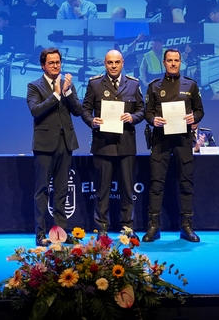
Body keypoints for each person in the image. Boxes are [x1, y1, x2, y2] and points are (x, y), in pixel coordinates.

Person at [80, 49, 145, 238]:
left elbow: (142, 110)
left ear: (122, 62)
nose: (114, 66)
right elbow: (85, 110)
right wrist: (92, 121)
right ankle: (101, 230)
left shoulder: (133, 84)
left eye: (117, 62)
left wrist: (133, 117)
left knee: (127, 189)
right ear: (105, 63)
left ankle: (127, 228)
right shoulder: (95, 84)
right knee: (102, 190)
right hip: (103, 145)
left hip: (126, 144)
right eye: (110, 62)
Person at [143, 48, 205, 243]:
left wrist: (194, 118)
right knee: (156, 184)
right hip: (160, 140)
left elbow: (200, 111)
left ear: (180, 62)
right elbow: (147, 112)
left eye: (176, 60)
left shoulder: (191, 85)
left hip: (183, 140)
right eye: (169, 60)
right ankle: (154, 226)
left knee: (186, 183)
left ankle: (186, 226)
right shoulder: (154, 86)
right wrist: (153, 120)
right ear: (164, 63)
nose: (173, 63)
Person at [27, 47, 82, 247]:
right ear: (43, 65)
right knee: (42, 189)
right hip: (44, 145)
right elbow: (36, 110)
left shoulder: (68, 85)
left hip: (65, 143)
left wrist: (67, 92)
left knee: (61, 190)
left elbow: (77, 111)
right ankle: (41, 234)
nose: (56, 66)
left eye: (58, 62)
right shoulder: (34, 86)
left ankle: (60, 233)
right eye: (51, 63)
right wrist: (57, 94)